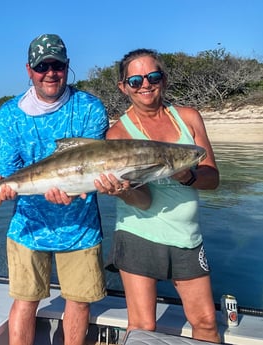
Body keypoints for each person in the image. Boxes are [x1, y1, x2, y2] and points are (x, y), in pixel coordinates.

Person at [94, 48, 221, 343]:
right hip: (139, 231)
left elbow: (212, 178)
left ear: (163, 79)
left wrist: (187, 175)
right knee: (142, 325)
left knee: (205, 321)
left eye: (152, 76)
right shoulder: (117, 135)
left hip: (188, 236)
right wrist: (123, 193)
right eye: (135, 80)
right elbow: (145, 200)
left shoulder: (188, 118)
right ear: (123, 87)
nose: (145, 85)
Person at [0, 34, 109, 345]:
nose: (50, 72)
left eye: (56, 65)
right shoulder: (9, 114)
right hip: (28, 225)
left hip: (81, 224)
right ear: (29, 70)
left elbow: (93, 164)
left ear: (67, 67)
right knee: (25, 300)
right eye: (41, 65)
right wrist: (4, 187)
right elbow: (8, 171)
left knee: (79, 300)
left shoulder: (90, 108)